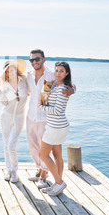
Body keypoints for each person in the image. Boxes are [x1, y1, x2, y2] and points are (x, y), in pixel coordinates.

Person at [25, 49, 74, 188]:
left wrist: (72, 90)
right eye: (32, 60)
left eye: (37, 59)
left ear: (44, 59)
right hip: (30, 116)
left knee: (43, 149)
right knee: (33, 147)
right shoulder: (28, 76)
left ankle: (44, 176)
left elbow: (68, 84)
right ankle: (39, 169)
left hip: (45, 118)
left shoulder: (52, 75)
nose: (34, 62)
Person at [38, 61, 72, 196]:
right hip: (56, 126)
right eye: (56, 70)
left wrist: (42, 108)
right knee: (57, 154)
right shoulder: (56, 86)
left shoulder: (63, 88)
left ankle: (59, 183)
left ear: (67, 73)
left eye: (61, 71)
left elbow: (58, 110)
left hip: (56, 126)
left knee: (43, 154)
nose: (58, 73)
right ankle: (57, 184)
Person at [0, 59, 28, 183]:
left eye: (12, 69)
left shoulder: (24, 81)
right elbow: (3, 102)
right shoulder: (4, 85)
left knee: (11, 145)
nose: (11, 72)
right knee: (6, 146)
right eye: (8, 71)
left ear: (16, 70)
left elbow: (35, 89)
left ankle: (14, 170)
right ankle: (9, 170)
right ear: (6, 73)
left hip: (19, 118)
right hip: (6, 117)